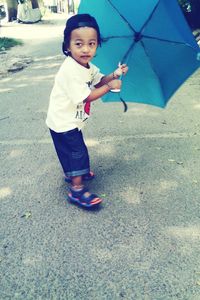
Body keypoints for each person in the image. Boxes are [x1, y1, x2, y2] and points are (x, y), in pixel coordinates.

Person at [46, 14, 128, 208]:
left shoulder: (86, 66)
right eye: (78, 43)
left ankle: (74, 172)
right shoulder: (70, 70)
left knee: (69, 150)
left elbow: (98, 81)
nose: (85, 49)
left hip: (68, 119)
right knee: (77, 152)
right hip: (63, 121)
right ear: (67, 46)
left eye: (91, 43)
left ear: (97, 45)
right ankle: (76, 189)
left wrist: (115, 75)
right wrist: (109, 88)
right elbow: (87, 96)